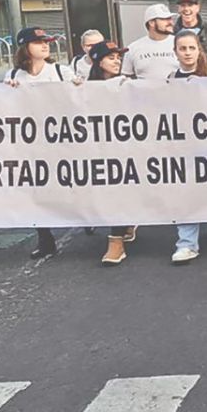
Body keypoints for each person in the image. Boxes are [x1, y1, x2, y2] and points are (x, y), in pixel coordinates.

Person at [4, 27, 74, 258]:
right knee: (34, 188)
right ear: (25, 48)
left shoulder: (60, 71)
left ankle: (85, 219)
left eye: (47, 41)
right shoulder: (13, 76)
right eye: (38, 42)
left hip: (60, 138)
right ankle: (44, 237)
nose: (45, 45)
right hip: (30, 141)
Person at [165, 30, 207, 265]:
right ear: (175, 52)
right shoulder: (170, 78)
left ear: (199, 49)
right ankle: (187, 243)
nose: (187, 53)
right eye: (182, 48)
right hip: (184, 145)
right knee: (185, 191)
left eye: (191, 48)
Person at [82, 40, 139, 265]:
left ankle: (116, 241)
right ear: (98, 61)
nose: (117, 61)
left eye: (118, 57)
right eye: (111, 57)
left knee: (119, 189)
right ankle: (124, 225)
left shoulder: (127, 84)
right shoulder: (85, 87)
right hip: (98, 149)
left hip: (125, 149)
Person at [122, 4, 179, 79]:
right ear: (151, 23)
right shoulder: (133, 48)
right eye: (165, 19)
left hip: (176, 90)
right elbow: (126, 79)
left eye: (170, 18)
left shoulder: (181, 43)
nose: (171, 22)